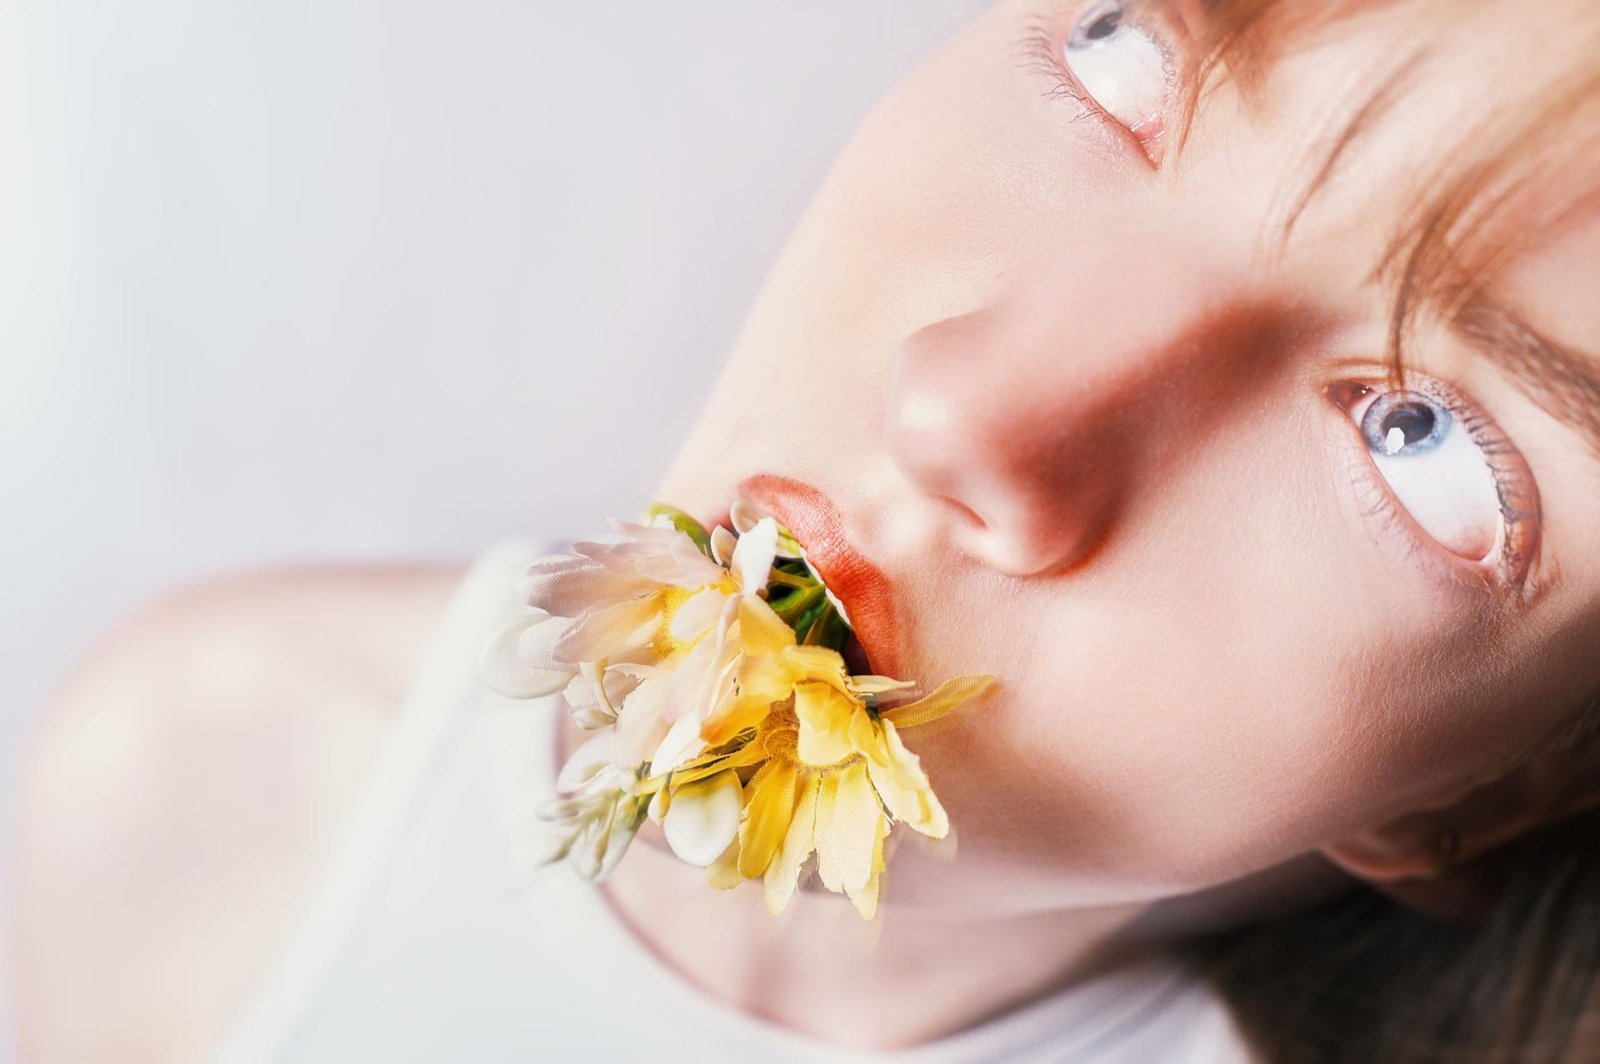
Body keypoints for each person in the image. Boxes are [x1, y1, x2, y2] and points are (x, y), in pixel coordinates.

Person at [12, 0, 1600, 1060]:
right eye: (1126, 53)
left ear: (1508, 788)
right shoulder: (226, 768)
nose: (964, 410)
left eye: (1423, 445)